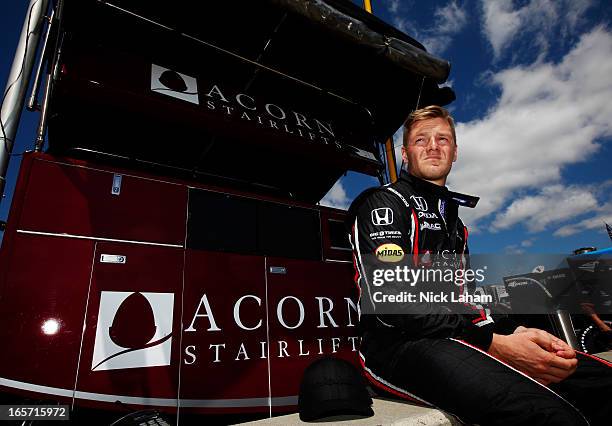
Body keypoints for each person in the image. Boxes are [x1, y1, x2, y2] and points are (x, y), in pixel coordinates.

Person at [347, 105, 612, 425]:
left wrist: (514, 331)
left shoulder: (454, 223)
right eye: (421, 140)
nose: (433, 146)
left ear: (455, 152)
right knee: (544, 414)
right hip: (396, 348)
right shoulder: (383, 203)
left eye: (442, 139)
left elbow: (465, 298)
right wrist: (496, 343)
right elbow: (393, 302)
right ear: (405, 153)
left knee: (600, 382)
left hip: (455, 337)